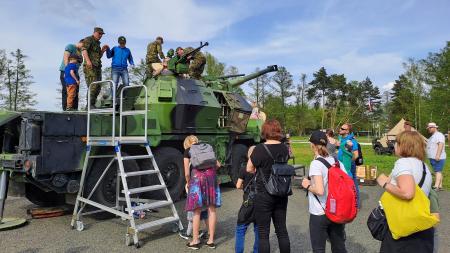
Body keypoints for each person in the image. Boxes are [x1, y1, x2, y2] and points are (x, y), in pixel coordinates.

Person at [376, 131, 434, 252]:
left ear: (404, 145)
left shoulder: (403, 163)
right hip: (420, 226)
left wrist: (384, 183)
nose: (394, 145)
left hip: (402, 227)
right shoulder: (424, 166)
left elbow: (407, 193)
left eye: (396, 143)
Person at [246, 119, 291, 253]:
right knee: (281, 230)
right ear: (278, 131)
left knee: (263, 232)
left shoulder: (260, 149)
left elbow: (249, 168)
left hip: (264, 193)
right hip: (282, 192)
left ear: (264, 131)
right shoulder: (284, 148)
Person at [301, 130, 348, 253]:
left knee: (319, 249)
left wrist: (307, 185)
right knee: (339, 247)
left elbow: (320, 190)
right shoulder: (336, 162)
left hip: (319, 212)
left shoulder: (316, 164)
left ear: (313, 145)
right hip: (336, 210)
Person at [184, 135, 221, 250]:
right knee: (212, 209)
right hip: (211, 178)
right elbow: (218, 165)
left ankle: (195, 241)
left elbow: (186, 172)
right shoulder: (207, 147)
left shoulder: (187, 151)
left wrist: (188, 182)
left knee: (197, 210)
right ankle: (211, 241)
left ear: (187, 143)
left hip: (196, 179)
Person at [235, 145, 259, 253]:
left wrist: (245, 188)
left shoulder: (244, 168)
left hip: (247, 202)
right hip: (260, 203)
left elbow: (238, 185)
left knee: (240, 229)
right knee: (258, 230)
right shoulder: (262, 169)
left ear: (248, 155)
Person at [82, 27, 108, 108]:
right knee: (93, 85)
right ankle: (89, 105)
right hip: (90, 67)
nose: (100, 35)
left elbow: (98, 56)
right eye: (99, 33)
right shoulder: (88, 39)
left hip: (97, 67)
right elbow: (84, 50)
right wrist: (88, 61)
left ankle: (92, 104)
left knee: (98, 86)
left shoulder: (97, 43)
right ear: (95, 32)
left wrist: (102, 51)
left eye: (102, 34)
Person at [337, 123, 359, 206]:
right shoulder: (342, 138)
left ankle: (355, 204)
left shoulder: (352, 141)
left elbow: (356, 155)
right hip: (341, 166)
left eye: (342, 129)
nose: (340, 129)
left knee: (352, 185)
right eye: (340, 128)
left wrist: (349, 161)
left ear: (347, 131)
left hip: (349, 166)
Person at [59, 39, 83, 111]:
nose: (84, 48)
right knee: (67, 91)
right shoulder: (71, 46)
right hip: (67, 72)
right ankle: (66, 109)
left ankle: (74, 108)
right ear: (80, 42)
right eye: (83, 46)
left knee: (75, 92)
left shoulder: (80, 52)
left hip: (75, 73)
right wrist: (68, 70)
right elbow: (66, 57)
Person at [426, 122, 446, 191]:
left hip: (438, 157)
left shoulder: (439, 135)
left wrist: (438, 155)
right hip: (433, 157)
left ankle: (436, 186)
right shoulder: (433, 136)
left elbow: (440, 144)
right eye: (428, 128)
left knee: (438, 171)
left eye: (430, 128)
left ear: (434, 128)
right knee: (438, 171)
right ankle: (440, 185)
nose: (429, 129)